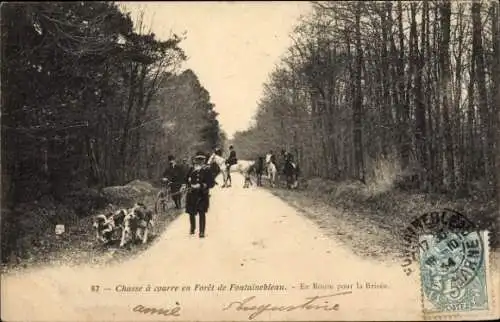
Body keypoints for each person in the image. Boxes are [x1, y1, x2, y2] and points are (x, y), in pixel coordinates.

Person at [185, 151, 215, 238]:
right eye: (198, 159)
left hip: (202, 195)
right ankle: (192, 228)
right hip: (191, 194)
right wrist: (186, 185)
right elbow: (186, 179)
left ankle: (202, 231)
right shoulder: (191, 169)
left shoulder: (207, 170)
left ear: (204, 160)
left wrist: (201, 185)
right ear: (195, 160)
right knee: (191, 212)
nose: (200, 161)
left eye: (202, 159)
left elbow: (211, 183)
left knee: (202, 212)